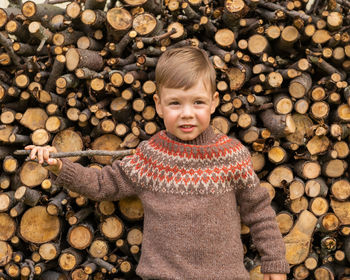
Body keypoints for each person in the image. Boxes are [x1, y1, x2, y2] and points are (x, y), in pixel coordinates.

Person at [26, 46, 290, 280]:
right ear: (159, 105)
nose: (187, 113)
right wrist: (59, 166)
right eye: (175, 103)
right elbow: (102, 184)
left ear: (214, 103)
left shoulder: (232, 156)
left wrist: (274, 260)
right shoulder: (150, 156)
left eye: (198, 102)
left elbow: (259, 212)